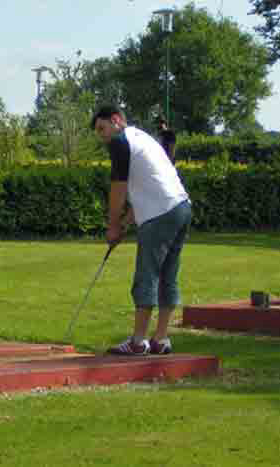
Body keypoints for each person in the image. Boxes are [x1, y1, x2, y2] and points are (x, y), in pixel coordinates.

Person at [91, 105, 191, 355]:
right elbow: (149, 187)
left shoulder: (120, 142)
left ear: (116, 121)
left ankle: (138, 342)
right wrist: (125, 223)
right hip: (182, 207)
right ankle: (161, 339)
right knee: (168, 274)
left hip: (160, 214)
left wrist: (113, 226)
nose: (102, 136)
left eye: (102, 128)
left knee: (146, 277)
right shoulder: (142, 138)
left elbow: (119, 189)